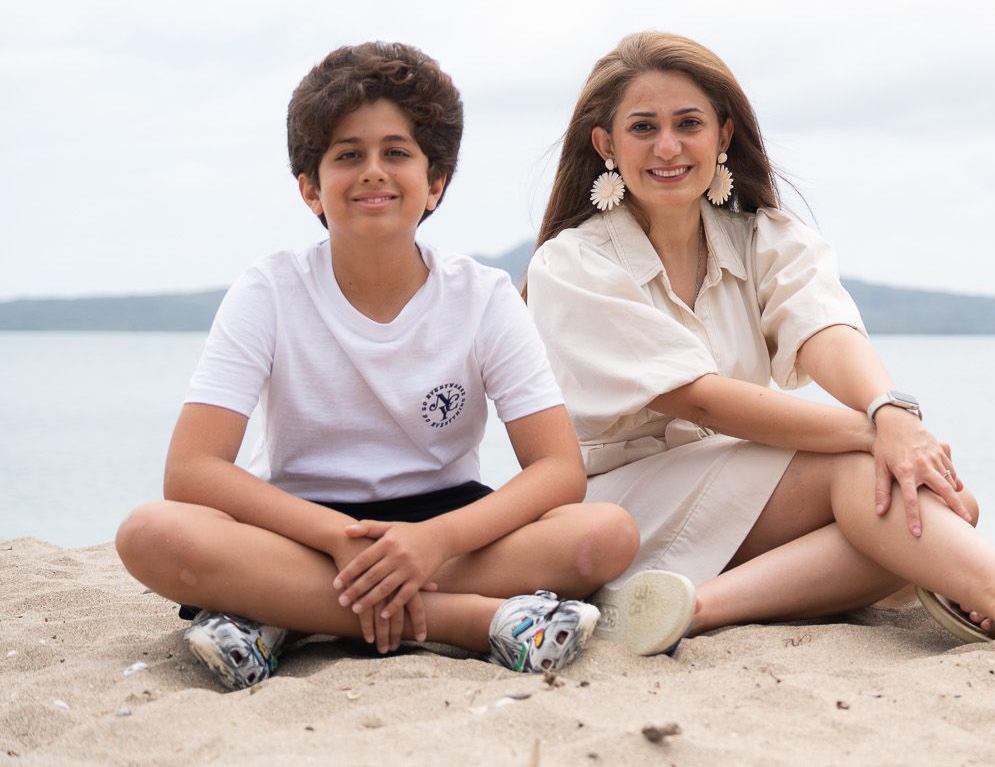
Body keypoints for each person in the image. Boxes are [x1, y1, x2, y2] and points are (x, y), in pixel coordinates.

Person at [523, 31, 995, 660]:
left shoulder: (759, 236)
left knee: (936, 504)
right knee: (877, 478)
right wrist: (873, 433)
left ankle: (689, 606)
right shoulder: (572, 263)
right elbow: (703, 400)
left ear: (723, 134)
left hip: (733, 498)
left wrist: (889, 411)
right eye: (644, 127)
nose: (668, 145)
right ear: (606, 142)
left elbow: (824, 331)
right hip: (621, 509)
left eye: (688, 123)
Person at [116, 42, 639, 691]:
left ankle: (284, 614)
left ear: (435, 180)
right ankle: (474, 622)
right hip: (300, 526)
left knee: (604, 534)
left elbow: (559, 469)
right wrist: (336, 535)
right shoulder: (270, 290)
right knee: (149, 532)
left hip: (446, 531)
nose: (373, 171)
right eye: (347, 154)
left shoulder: (482, 297)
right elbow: (191, 469)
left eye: (396, 151)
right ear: (310, 186)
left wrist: (433, 541)